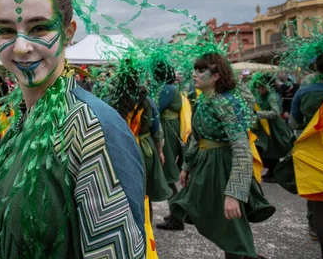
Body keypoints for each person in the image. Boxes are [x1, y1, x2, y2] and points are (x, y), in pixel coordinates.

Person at [0, 0, 147, 258]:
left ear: (68, 32)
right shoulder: (17, 123)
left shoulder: (94, 128)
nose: (21, 47)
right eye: (6, 31)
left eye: (39, 29)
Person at [169, 53, 274, 259]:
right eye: (195, 70)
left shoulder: (226, 103)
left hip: (224, 169)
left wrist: (235, 193)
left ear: (216, 76)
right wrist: (187, 165)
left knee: (232, 228)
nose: (194, 74)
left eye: (201, 71)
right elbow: (196, 138)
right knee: (225, 227)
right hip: (208, 168)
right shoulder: (202, 101)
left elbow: (241, 148)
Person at [289, 49, 323, 259]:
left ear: (316, 68)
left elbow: (293, 122)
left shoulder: (304, 91)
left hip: (314, 153)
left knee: (320, 206)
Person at [111, 58, 171, 222]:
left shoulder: (112, 99)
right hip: (145, 151)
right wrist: (160, 151)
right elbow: (157, 129)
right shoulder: (147, 99)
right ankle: (146, 228)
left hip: (121, 149)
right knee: (145, 194)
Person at [153, 61, 186, 231]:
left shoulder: (167, 88)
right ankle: (176, 212)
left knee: (169, 174)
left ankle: (177, 215)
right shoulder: (171, 87)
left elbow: (156, 107)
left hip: (167, 128)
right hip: (171, 126)